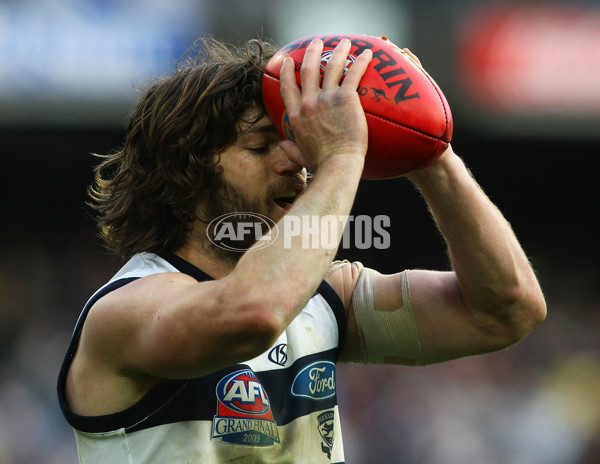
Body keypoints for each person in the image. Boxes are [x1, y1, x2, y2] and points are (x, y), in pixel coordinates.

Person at [57, 36, 546, 463]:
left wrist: (429, 149)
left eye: (294, 137)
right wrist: (342, 155)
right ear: (185, 177)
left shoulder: (326, 296)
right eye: (262, 145)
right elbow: (253, 314)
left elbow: (505, 312)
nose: (296, 158)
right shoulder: (125, 310)